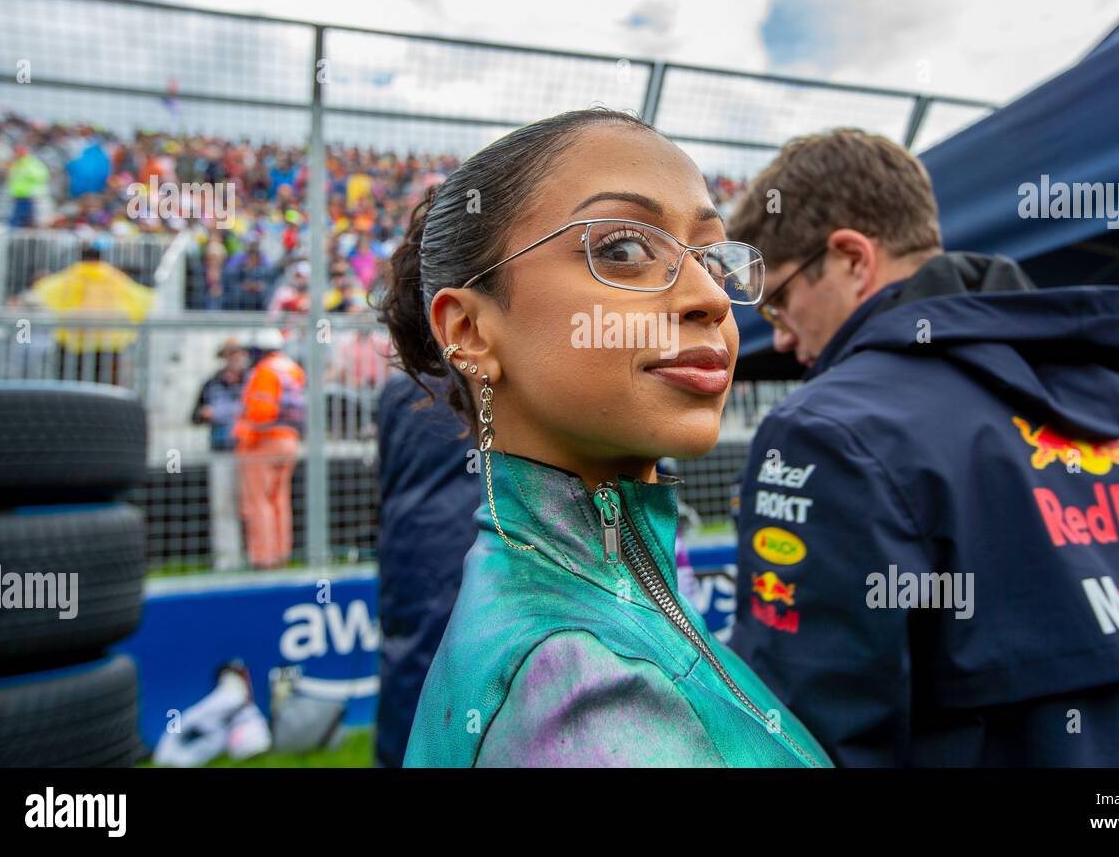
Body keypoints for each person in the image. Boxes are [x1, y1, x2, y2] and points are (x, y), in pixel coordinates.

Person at [724, 127, 1119, 766]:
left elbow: (808, 743)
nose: (783, 338)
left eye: (782, 301)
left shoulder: (826, 433)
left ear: (851, 259)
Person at [378, 108, 829, 768]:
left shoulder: (586, 601)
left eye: (710, 255)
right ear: (471, 331)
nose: (710, 295)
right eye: (623, 249)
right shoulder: (584, 688)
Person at [374, 371, 480, 768]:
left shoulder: (398, 392)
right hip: (458, 539)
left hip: (410, 542)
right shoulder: (483, 383)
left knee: (412, 660)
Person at [232, 328, 305, 569]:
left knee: (258, 502)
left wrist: (245, 436)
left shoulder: (265, 371)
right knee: (279, 500)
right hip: (289, 439)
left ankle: (263, 558)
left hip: (264, 442)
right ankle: (281, 553)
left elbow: (261, 413)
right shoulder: (293, 369)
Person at [32, 244, 154, 386]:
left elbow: (45, 291)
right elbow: (139, 297)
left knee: (70, 378)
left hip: (75, 337)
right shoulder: (113, 275)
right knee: (105, 381)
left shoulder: (72, 274)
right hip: (108, 338)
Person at [192, 337, 251, 570]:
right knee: (224, 506)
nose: (235, 358)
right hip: (221, 450)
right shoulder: (211, 383)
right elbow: (194, 415)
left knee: (250, 505)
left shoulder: (251, 381)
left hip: (249, 451)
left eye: (238, 353)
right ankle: (227, 560)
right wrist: (205, 413)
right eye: (230, 354)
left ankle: (254, 556)